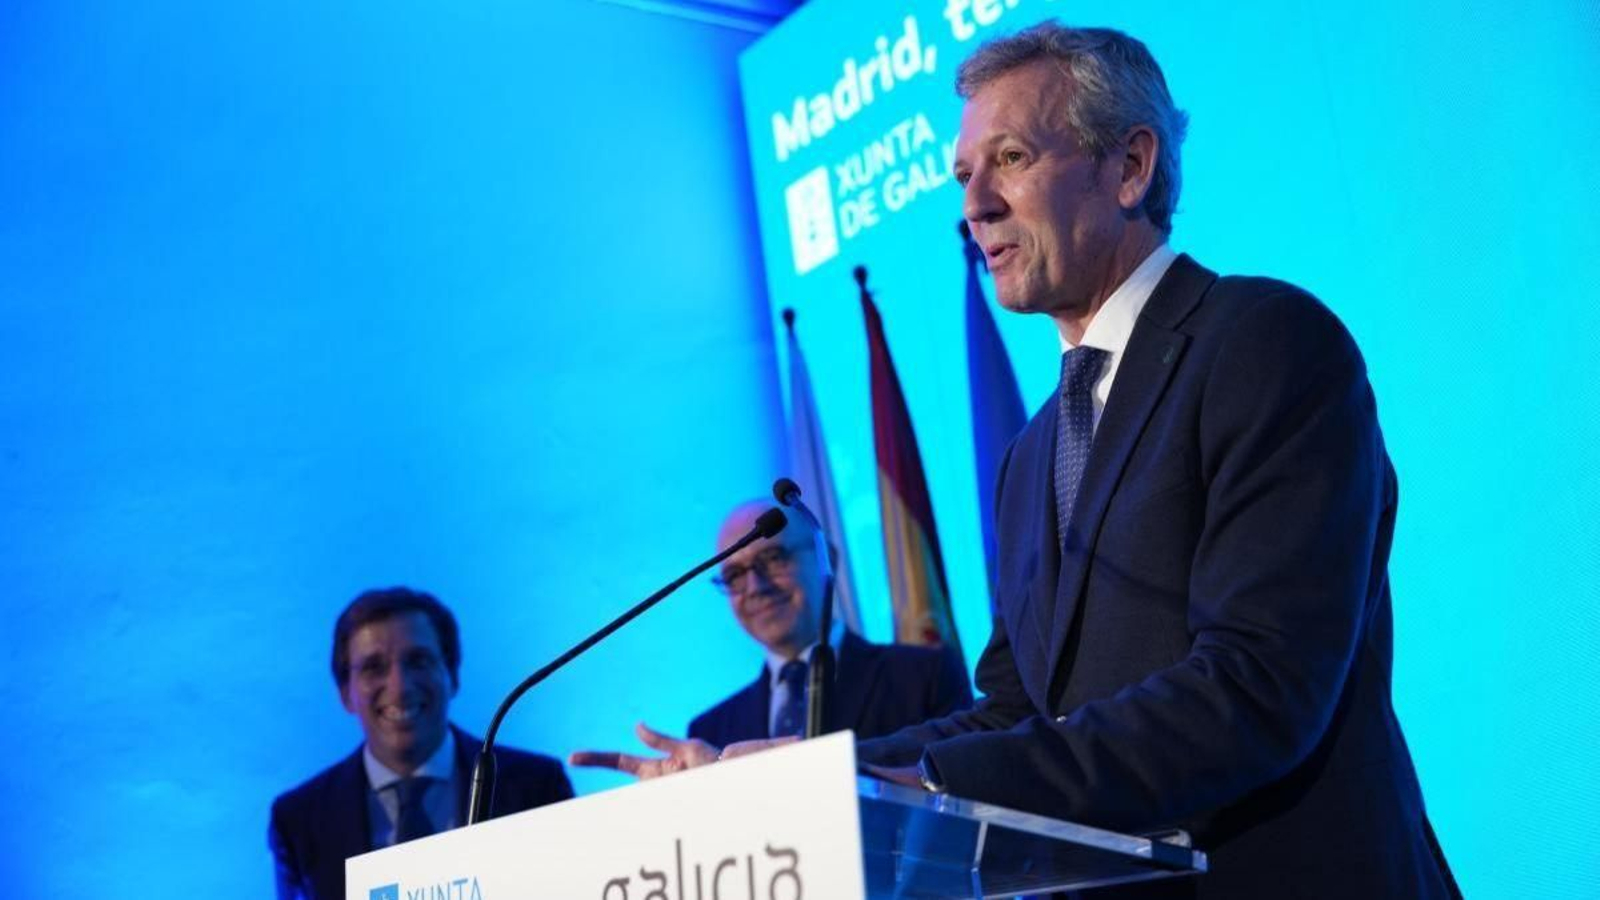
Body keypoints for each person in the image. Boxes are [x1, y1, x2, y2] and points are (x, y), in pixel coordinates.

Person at [579, 22, 1459, 899]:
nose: (974, 206)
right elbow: (1014, 711)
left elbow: (1254, 690)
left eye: (1009, 159)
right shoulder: (1030, 454)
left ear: (1130, 168)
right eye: (965, 175)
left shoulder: (1263, 343)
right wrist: (803, 776)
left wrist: (935, 781)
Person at [568, 500, 972, 778]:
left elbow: (957, 797)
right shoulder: (710, 728)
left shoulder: (924, 675)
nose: (755, 586)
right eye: (734, 576)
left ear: (826, 556)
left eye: (773, 559)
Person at [268, 587, 572, 900]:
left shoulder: (537, 786)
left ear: (452, 675)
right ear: (346, 693)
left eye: (418, 661)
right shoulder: (298, 819)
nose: (399, 688)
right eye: (374, 667)